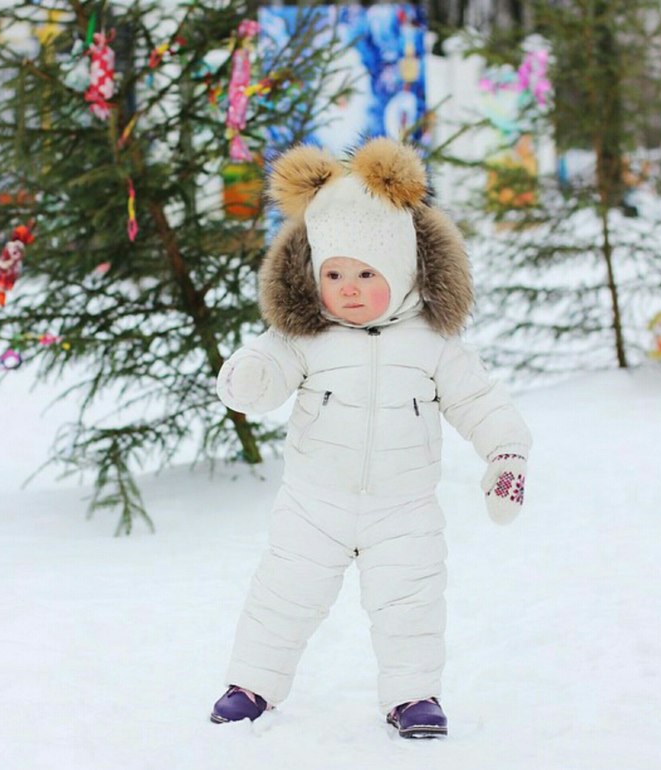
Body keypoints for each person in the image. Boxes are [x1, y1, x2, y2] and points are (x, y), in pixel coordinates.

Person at [210, 138, 532, 738]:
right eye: (334, 273)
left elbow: (479, 400)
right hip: (314, 505)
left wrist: (506, 454)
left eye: (366, 273)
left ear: (402, 268)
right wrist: (247, 378)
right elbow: (267, 368)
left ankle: (413, 697)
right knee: (283, 596)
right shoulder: (305, 337)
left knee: (410, 603)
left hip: (403, 509)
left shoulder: (432, 343)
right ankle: (250, 684)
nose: (349, 287)